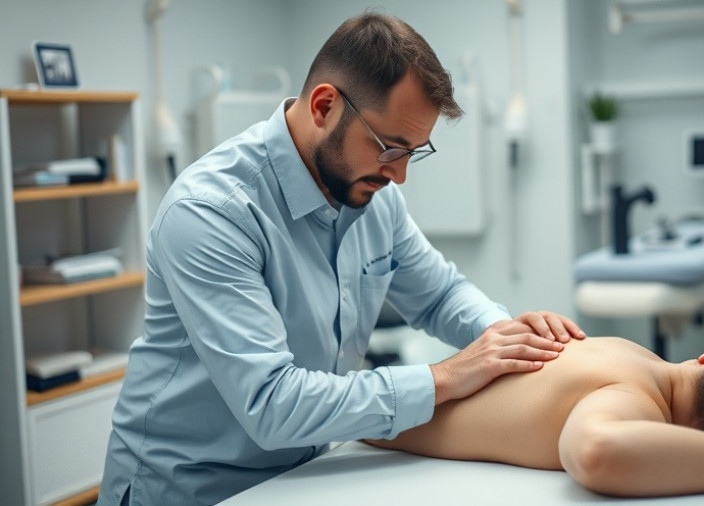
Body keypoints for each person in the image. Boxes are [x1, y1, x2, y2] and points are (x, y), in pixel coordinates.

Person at [97, 12, 584, 506]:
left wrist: (507, 339)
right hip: (190, 486)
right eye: (390, 148)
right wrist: (448, 375)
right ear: (324, 106)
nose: (399, 176)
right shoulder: (211, 214)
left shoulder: (374, 197)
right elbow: (273, 403)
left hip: (300, 474)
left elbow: (440, 295)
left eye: (413, 152)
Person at [368, 338, 704, 506]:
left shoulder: (635, 357)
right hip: (362, 434)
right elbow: (595, 452)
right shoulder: (632, 396)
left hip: (373, 405)